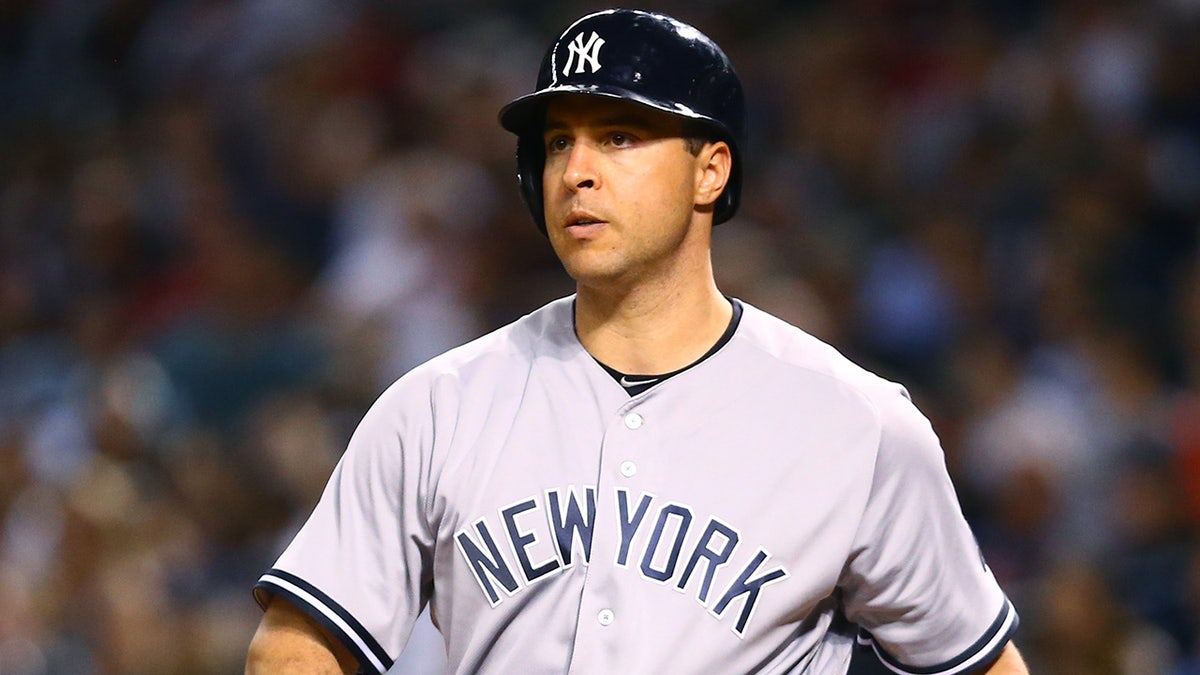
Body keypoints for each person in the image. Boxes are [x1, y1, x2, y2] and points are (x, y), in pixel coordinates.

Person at [245, 9, 1029, 674]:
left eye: (619, 136)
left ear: (710, 170)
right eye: (558, 143)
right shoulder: (435, 406)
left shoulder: (858, 425)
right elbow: (296, 644)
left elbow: (979, 660)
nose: (575, 171)